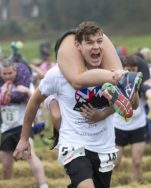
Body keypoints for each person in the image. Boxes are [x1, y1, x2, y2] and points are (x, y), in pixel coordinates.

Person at [13, 21, 132, 188]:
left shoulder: (113, 73)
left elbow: (129, 104)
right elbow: (34, 101)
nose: (95, 47)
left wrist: (103, 114)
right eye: (89, 42)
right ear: (78, 45)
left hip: (104, 145)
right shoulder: (57, 75)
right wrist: (24, 138)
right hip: (74, 143)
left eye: (99, 41)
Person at [0, 59, 48, 188]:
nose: (7, 76)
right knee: (6, 166)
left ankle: (43, 186)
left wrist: (26, 92)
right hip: (6, 129)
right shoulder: (1, 88)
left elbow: (36, 102)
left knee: (30, 156)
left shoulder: (24, 85)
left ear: (15, 71)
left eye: (10, 73)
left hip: (22, 127)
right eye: (4, 73)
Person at [113, 55, 146, 182]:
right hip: (119, 125)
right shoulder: (117, 84)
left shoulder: (142, 83)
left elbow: (149, 91)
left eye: (134, 69)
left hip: (138, 125)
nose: (131, 72)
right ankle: (113, 183)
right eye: (129, 69)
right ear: (123, 68)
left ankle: (135, 183)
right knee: (115, 163)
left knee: (137, 161)